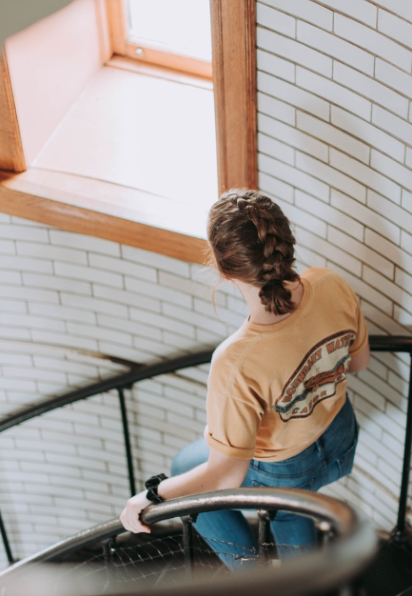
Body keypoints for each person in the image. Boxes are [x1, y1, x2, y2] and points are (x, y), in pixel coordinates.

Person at [120, 190, 370, 572]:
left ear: (224, 269)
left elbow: (226, 474)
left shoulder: (236, 361)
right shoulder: (331, 283)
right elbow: (358, 363)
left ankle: (252, 576)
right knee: (188, 462)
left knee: (195, 499)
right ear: (284, 243)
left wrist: (151, 496)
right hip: (340, 439)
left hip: (287, 471)